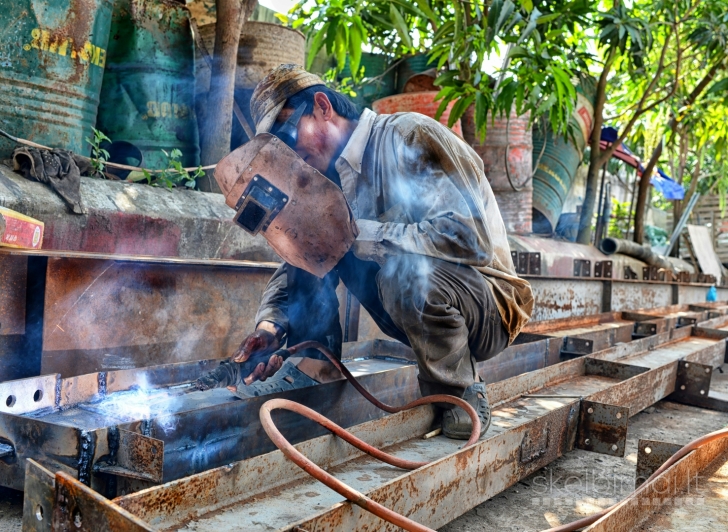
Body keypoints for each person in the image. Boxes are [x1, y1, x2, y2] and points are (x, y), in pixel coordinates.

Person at [196, 64, 534, 440]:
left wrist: (356, 233)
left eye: (288, 137)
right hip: (417, 304)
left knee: (400, 272)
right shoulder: (327, 180)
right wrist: (271, 326)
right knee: (310, 232)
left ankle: (459, 391)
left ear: (323, 106)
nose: (289, 155)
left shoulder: (409, 135)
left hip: (486, 303)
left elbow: (470, 238)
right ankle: (315, 365)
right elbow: (301, 259)